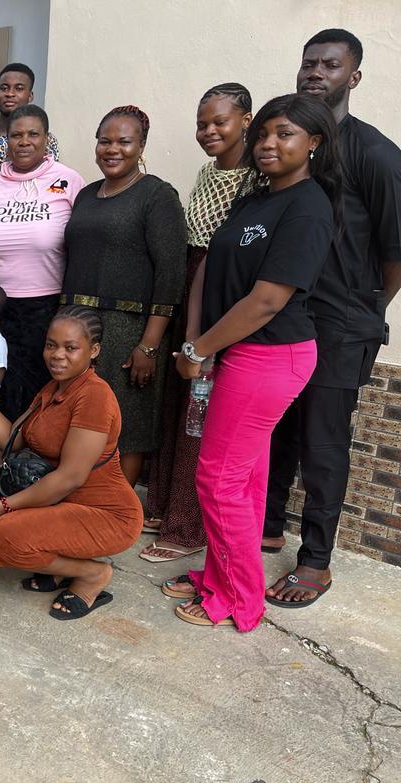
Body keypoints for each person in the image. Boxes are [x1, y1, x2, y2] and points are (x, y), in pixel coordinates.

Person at [168, 93, 340, 631]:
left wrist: (202, 349)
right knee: (243, 480)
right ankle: (221, 575)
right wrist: (194, 339)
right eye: (263, 133)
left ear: (313, 143)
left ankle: (240, 599)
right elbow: (207, 270)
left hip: (269, 356)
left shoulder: (309, 207)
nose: (268, 143)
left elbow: (267, 300)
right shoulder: (255, 198)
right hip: (232, 349)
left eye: (284, 134)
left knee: (218, 481)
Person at [263, 29, 401, 605]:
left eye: (331, 64)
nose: (316, 72)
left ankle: (316, 560)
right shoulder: (292, 145)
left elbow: (396, 252)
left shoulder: (375, 154)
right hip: (288, 315)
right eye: (309, 63)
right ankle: (267, 527)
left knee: (323, 443)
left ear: (355, 75)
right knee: (277, 430)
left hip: (343, 324)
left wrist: (366, 306)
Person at [0, 306, 143, 620]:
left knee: (3, 534)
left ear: (94, 351)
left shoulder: (95, 396)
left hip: (103, 512)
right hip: (56, 497)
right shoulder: (53, 387)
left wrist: (0, 507)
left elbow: (69, 478)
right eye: (51, 345)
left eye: (71, 348)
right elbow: (12, 440)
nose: (57, 355)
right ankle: (58, 568)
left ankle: (91, 574)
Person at [141, 83, 253, 562]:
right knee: (177, 403)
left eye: (219, 122)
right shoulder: (208, 174)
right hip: (188, 291)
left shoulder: (257, 181)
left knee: (200, 415)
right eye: (201, 123)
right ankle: (166, 505)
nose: (208, 131)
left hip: (220, 303)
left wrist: (200, 332)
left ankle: (189, 527)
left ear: (246, 120)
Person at [61, 105, 187, 485]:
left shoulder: (157, 196)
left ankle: (119, 506)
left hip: (129, 333)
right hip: (79, 327)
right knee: (80, 416)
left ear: (142, 146)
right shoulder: (84, 196)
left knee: (126, 423)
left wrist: (148, 346)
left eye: (124, 141)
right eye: (104, 141)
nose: (112, 149)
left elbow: (171, 274)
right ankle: (83, 500)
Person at [0, 104, 85, 419]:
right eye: (16, 135)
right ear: (6, 140)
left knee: (39, 389)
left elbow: (83, 245)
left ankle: (29, 461)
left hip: (46, 307)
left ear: (46, 139)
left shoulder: (69, 181)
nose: (24, 141)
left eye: (33, 134)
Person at [0, 63, 60, 189]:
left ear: (30, 96)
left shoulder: (45, 140)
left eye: (19, 88)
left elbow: (50, 181)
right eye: (4, 88)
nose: (10, 94)